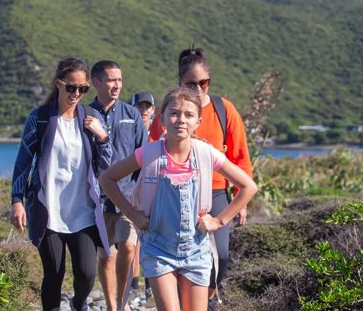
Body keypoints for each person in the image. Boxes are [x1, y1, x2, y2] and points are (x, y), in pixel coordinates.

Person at [99, 87, 257, 311]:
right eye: (174, 113)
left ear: (198, 122)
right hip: (158, 247)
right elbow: (107, 179)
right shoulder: (149, 153)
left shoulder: (206, 153)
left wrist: (219, 221)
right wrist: (133, 215)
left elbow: (248, 186)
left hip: (196, 247)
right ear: (162, 118)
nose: (181, 120)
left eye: (189, 115)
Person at [149, 47, 253, 310]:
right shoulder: (170, 112)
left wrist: (241, 203)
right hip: (172, 193)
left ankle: (204, 301)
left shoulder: (223, 109)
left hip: (215, 192)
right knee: (175, 255)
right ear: (180, 81)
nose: (199, 88)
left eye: (204, 82)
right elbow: (151, 154)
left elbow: (240, 155)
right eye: (192, 83)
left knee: (221, 256)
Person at [10, 57, 112, 311]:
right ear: (58, 84)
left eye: (83, 89)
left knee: (87, 274)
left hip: (83, 212)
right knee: (54, 274)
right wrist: (17, 200)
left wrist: (102, 136)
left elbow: (108, 166)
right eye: (71, 87)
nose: (77, 93)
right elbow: (23, 162)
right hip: (49, 211)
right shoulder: (40, 119)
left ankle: (79, 303)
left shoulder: (92, 118)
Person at [89, 61, 148, 311]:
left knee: (127, 247)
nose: (117, 85)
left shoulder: (132, 114)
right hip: (97, 200)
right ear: (97, 82)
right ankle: (113, 307)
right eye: (112, 80)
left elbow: (144, 155)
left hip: (127, 197)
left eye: (120, 80)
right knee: (105, 256)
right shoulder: (85, 114)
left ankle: (122, 304)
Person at [130, 90, 156, 304]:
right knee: (133, 241)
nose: (144, 110)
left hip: (154, 193)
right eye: (140, 106)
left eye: (147, 106)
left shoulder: (160, 134)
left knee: (150, 239)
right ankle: (132, 285)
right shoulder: (129, 132)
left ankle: (149, 288)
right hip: (132, 192)